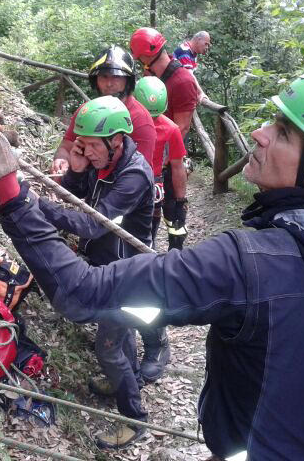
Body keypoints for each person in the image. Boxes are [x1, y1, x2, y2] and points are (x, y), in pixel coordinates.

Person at [0, 69, 304, 460]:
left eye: (281, 131)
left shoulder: (247, 263)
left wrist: (9, 193)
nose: (257, 134)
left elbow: (81, 291)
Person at [36, 96, 153, 448]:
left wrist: (37, 206)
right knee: (118, 337)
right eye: (80, 144)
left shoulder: (133, 176)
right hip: (109, 264)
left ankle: (134, 419)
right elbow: (76, 196)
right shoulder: (104, 164)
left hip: (129, 271)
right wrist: (74, 168)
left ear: (116, 140)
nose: (85, 151)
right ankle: (126, 377)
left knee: (107, 348)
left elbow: (91, 224)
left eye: (89, 146)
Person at [132, 76, 190, 384]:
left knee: (138, 268)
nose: (150, 122)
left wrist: (179, 202)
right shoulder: (121, 120)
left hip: (148, 197)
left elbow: (177, 166)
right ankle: (121, 341)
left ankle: (155, 340)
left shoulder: (168, 129)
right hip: (117, 193)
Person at [51, 46, 155, 175]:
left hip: (122, 188)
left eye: (116, 77)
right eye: (104, 77)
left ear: (128, 81)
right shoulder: (87, 111)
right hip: (84, 185)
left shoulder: (140, 119)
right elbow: (67, 145)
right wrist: (62, 159)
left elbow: (141, 172)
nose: (109, 84)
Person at [129, 27, 200, 140]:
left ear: (146, 56)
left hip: (165, 150)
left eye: (139, 58)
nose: (139, 61)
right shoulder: (151, 74)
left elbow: (182, 128)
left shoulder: (183, 82)